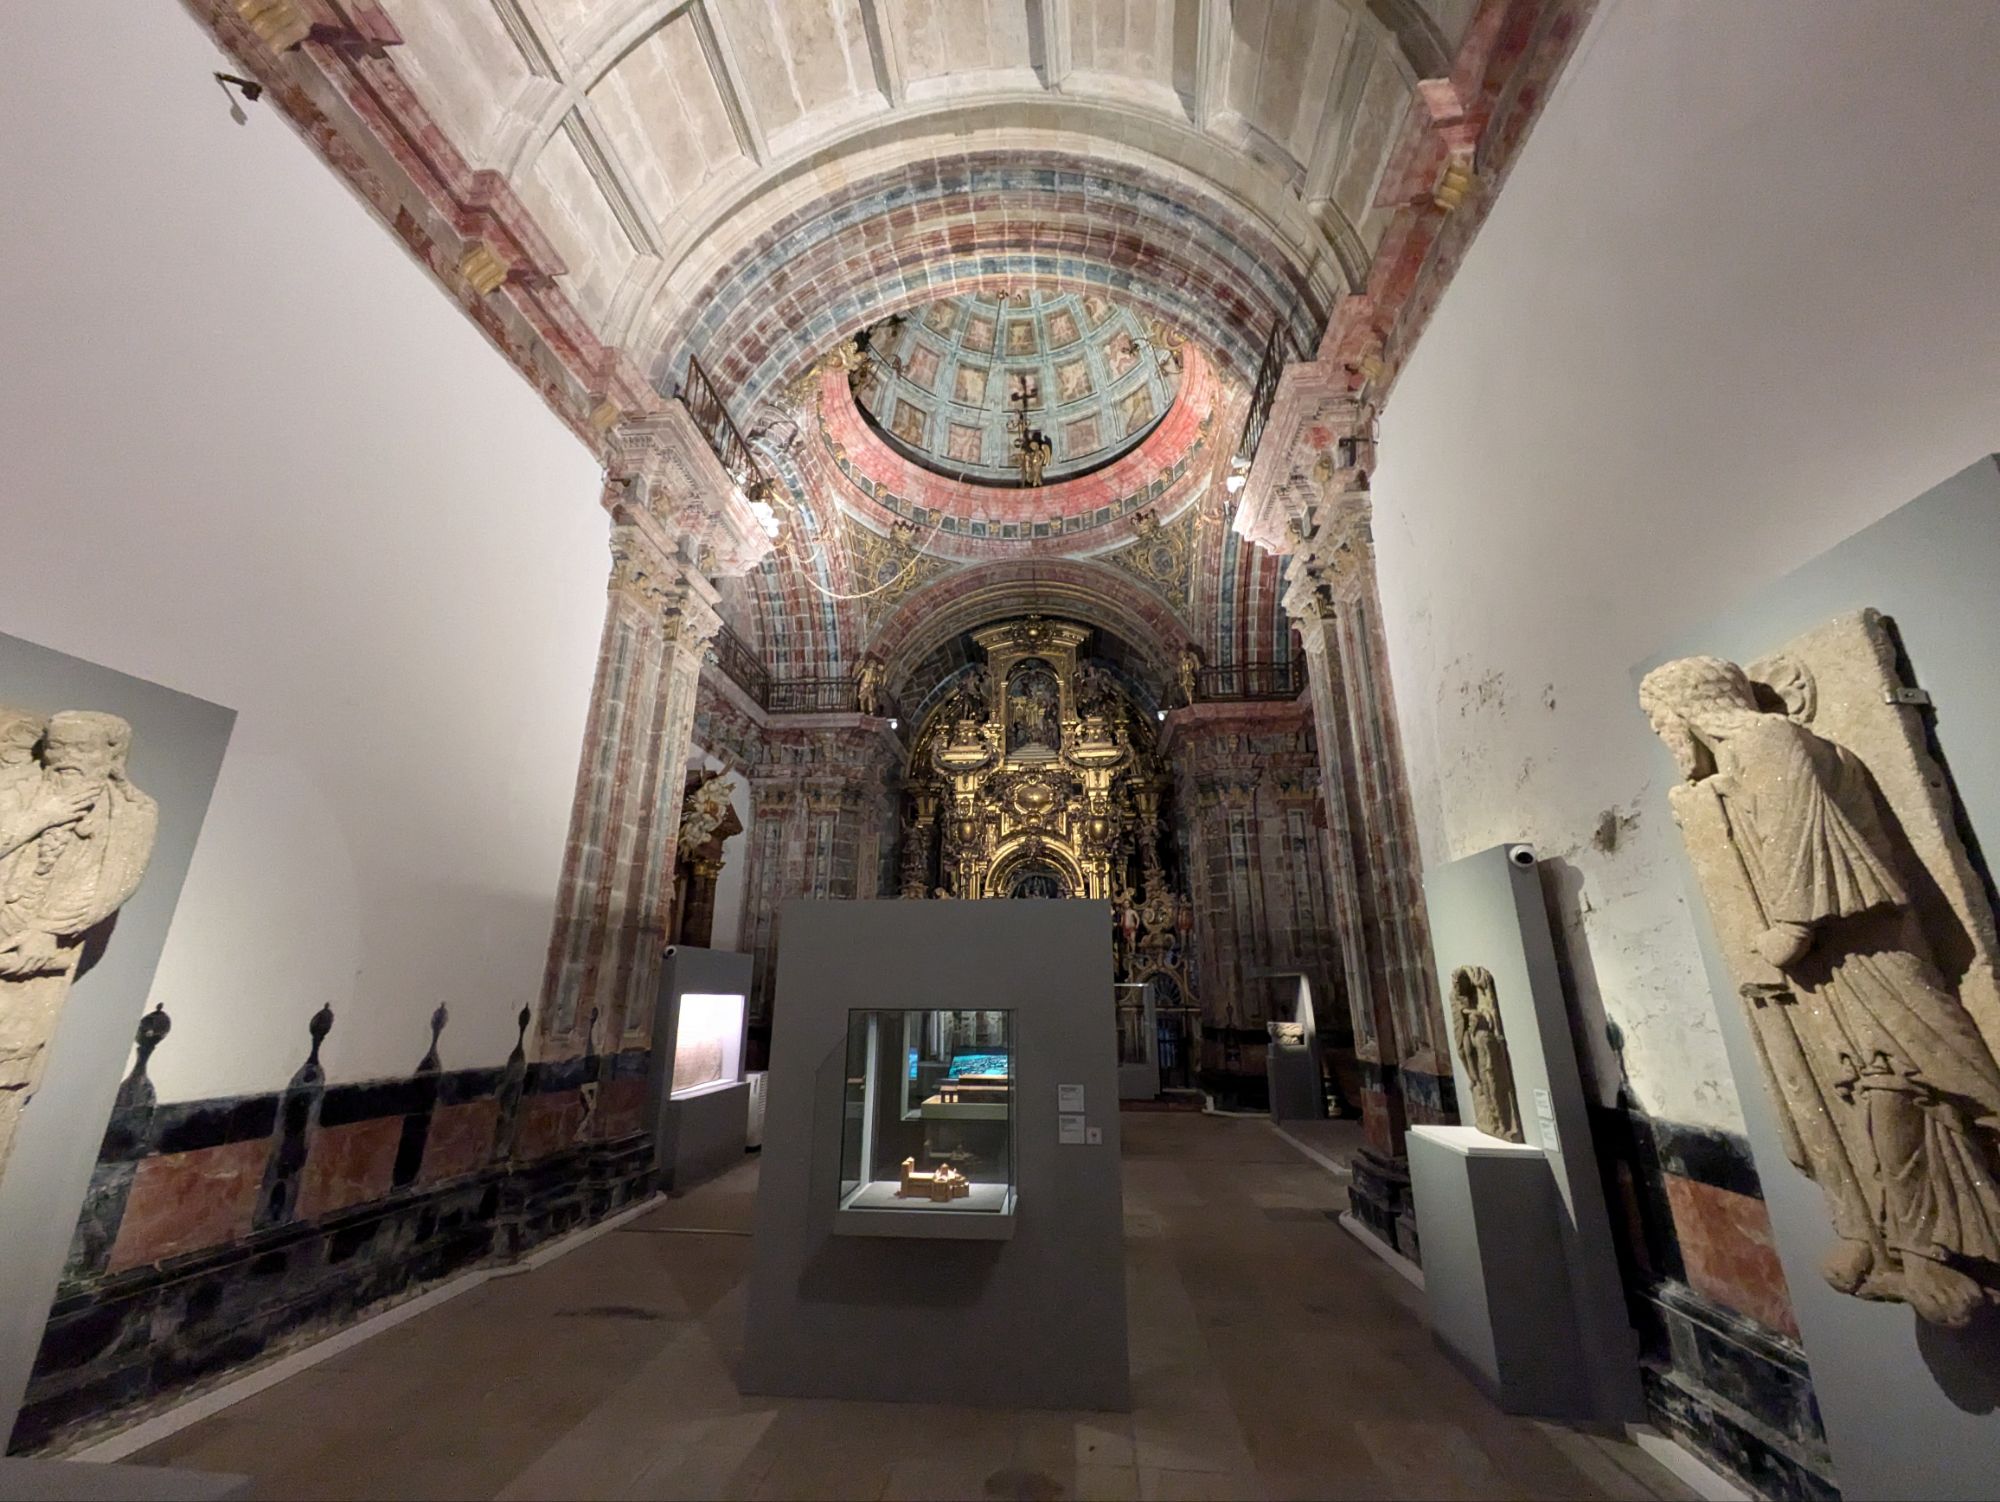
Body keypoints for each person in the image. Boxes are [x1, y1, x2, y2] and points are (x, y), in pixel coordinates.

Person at [1642, 654, 2000, 1326]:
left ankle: (1925, 1247)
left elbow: (1801, 834)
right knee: (1871, 1085)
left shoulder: (1768, 738)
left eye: (1659, 717)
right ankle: (1904, 1242)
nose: (1662, 732)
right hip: (1825, 961)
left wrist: (1792, 927)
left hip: (1860, 941)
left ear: (1688, 707)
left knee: (1929, 1066)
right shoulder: (1737, 764)